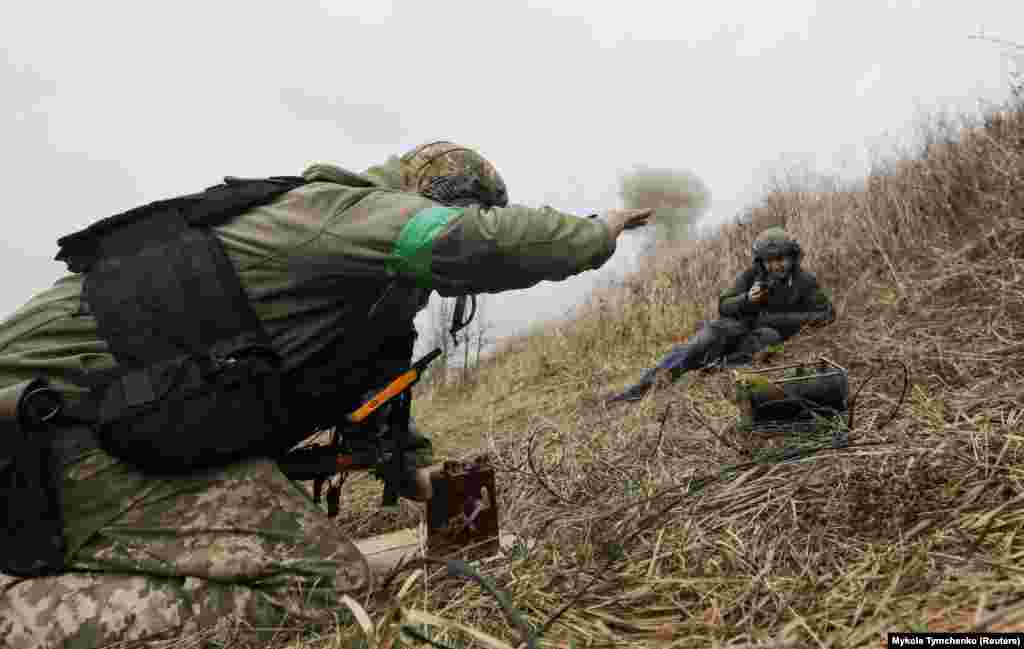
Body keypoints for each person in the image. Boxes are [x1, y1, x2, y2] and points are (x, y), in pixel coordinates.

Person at [0, 140, 651, 648]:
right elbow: (465, 241)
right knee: (324, 584)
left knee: (320, 563)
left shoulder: (358, 285)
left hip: (112, 419)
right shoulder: (347, 215)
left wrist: (450, 504)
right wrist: (599, 230)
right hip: (56, 425)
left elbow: (377, 410)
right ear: (432, 200)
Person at [605, 226, 834, 404]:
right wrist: (747, 300)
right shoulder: (751, 275)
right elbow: (724, 305)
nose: (776, 266)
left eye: (781, 258)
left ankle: (716, 367)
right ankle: (638, 390)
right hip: (733, 328)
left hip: (759, 337)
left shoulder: (805, 281)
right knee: (696, 346)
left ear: (793, 257)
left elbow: (826, 314)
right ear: (762, 261)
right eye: (770, 260)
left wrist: (776, 321)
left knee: (769, 337)